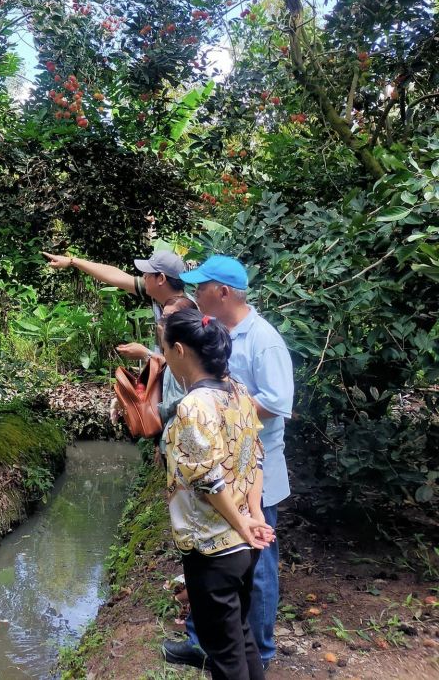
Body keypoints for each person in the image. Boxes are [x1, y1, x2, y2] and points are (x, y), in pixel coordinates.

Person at [163, 255, 294, 673]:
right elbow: (248, 449)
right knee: (235, 629)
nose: (196, 294)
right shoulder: (231, 383)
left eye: (201, 288)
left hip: (221, 525)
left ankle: (262, 649)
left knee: (231, 637)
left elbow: (209, 476)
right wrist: (250, 515)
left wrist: (243, 520)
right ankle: (241, 651)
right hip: (242, 502)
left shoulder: (202, 400)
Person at [42, 248, 195, 445]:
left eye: (147, 273)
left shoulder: (185, 314)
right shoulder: (159, 298)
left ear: (161, 279)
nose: (142, 277)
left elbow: (189, 371)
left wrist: (146, 354)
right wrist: (72, 261)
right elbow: (115, 276)